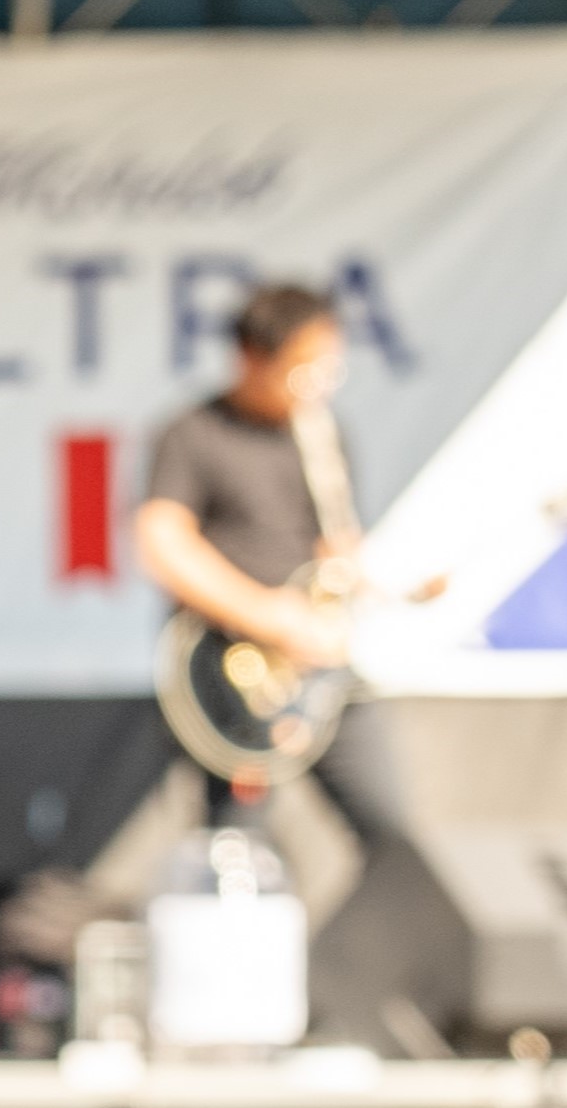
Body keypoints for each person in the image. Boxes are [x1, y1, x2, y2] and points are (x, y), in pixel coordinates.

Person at [129, 282, 463, 1047]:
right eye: (303, 365)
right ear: (254, 356)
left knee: (394, 834)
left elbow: (332, 549)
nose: (316, 383)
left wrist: (388, 582)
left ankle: (332, 1009)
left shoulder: (321, 436)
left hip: (325, 673)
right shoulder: (192, 434)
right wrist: (264, 614)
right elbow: (163, 544)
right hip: (235, 673)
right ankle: (228, 1030)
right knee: (235, 853)